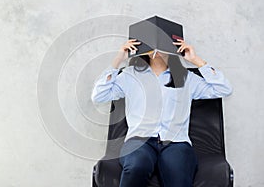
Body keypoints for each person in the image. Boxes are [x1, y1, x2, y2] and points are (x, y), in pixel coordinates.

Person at [91, 38, 232, 187]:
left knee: (178, 173)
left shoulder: (186, 78)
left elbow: (224, 89)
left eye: (162, 42)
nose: (157, 48)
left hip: (176, 142)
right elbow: (99, 96)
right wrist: (118, 59)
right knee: (137, 165)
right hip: (139, 141)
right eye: (152, 42)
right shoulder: (129, 75)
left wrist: (195, 60)